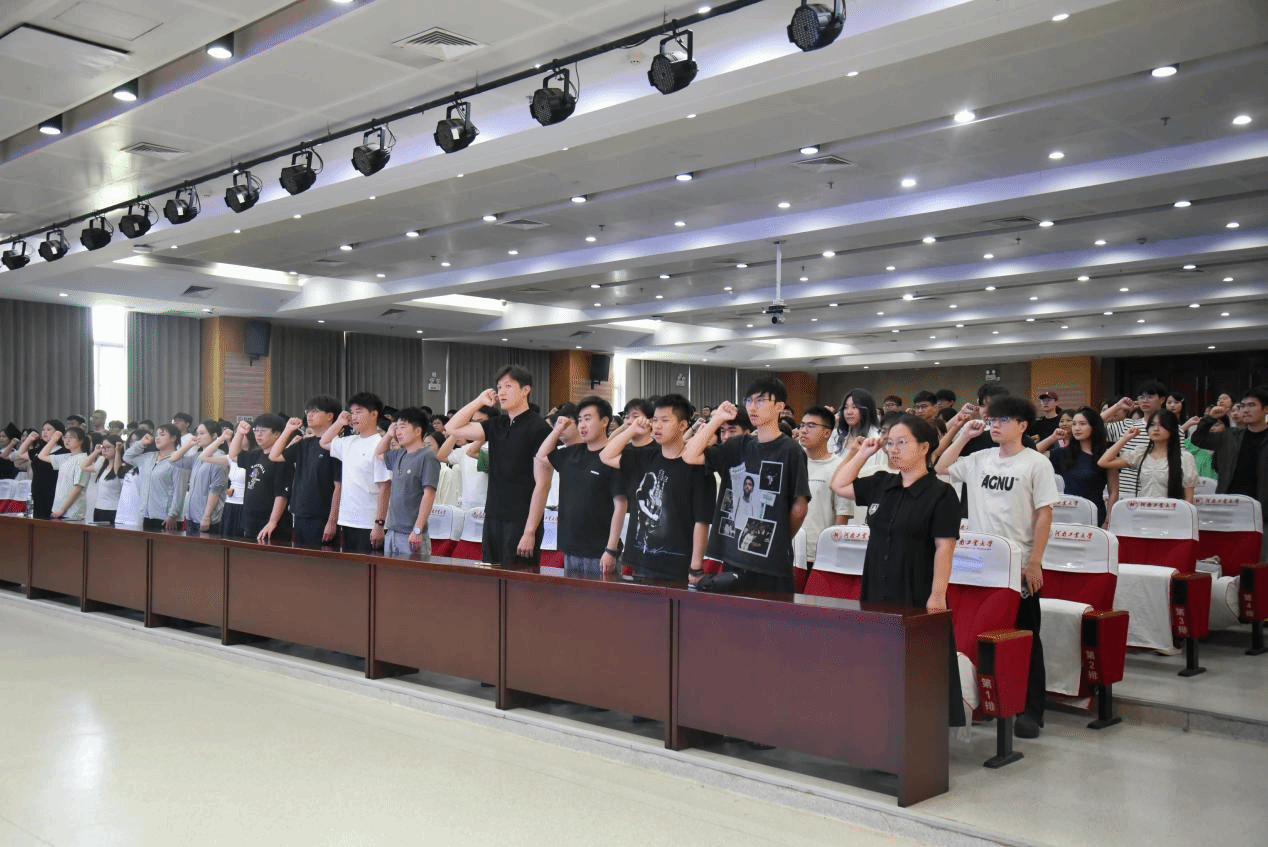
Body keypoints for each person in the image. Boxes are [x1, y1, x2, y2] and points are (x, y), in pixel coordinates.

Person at [936, 395, 1059, 739]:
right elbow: (941, 467)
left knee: (1025, 636)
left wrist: (1035, 561)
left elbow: (1045, 514)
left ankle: (1030, 710)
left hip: (1017, 564)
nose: (995, 426)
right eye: (993, 420)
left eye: (1003, 420)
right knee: (983, 633)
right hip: (978, 563)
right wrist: (963, 434)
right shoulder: (979, 458)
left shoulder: (1036, 463)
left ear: (1023, 425)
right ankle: (991, 702)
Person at [830, 414, 964, 726]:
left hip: (915, 587)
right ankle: (878, 725)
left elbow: (945, 547)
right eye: (889, 443)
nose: (893, 449)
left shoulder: (940, 494)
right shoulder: (883, 483)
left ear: (924, 447)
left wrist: (937, 595)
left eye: (901, 443)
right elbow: (839, 484)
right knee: (878, 657)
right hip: (877, 585)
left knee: (917, 661)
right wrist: (863, 453)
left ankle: (921, 730)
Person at [683, 377, 810, 593]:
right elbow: (689, 455)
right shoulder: (737, 446)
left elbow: (800, 507)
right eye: (748, 400)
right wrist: (716, 419)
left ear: (779, 406)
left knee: (770, 613)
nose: (752, 407)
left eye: (760, 400)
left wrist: (777, 537)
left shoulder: (791, 450)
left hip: (771, 563)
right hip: (734, 556)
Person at [600, 393, 715, 582]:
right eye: (654, 420)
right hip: (641, 561)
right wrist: (631, 429)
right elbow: (606, 456)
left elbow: (701, 521)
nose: (657, 426)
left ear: (683, 425)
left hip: (677, 565)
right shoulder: (646, 457)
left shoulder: (697, 467)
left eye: (665, 420)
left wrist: (696, 566)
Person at [445, 366, 553, 565]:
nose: (501, 392)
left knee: (518, 578)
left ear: (525, 390)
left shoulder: (539, 428)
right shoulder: (497, 424)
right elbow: (452, 427)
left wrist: (530, 531)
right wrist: (479, 401)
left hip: (522, 519)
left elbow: (543, 485)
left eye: (508, 386)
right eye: (499, 387)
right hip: (493, 516)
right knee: (491, 575)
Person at [531, 396, 627, 576]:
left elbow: (620, 506)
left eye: (588, 419)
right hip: (571, 547)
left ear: (604, 421)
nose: (582, 425)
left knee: (602, 595)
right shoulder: (571, 453)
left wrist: (611, 550)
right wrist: (557, 429)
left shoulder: (612, 458)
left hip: (600, 551)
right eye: (580, 420)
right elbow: (541, 456)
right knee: (573, 594)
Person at [1192, 387, 1268, 554]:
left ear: (1265, 409)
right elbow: (1198, 439)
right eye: (1243, 406)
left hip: (1263, 512)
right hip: (1230, 508)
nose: (1246, 410)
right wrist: (1210, 418)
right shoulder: (1230, 436)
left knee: (1260, 561)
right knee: (1230, 558)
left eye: (1252, 405)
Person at [320, 393, 390, 553]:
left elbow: (385, 487)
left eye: (359, 412)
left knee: (369, 566)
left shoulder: (380, 444)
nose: (354, 417)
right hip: (347, 520)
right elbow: (323, 442)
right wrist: (339, 422)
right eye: (352, 413)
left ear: (374, 414)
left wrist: (379, 524)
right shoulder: (349, 442)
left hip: (369, 523)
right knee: (349, 566)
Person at [271, 396, 343, 548]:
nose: (309, 415)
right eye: (308, 411)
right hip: (300, 513)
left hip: (322, 517)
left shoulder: (336, 446)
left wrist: (332, 521)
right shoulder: (305, 443)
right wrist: (288, 429)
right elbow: (274, 456)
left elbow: (339, 486)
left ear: (330, 416)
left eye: (315, 411)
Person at [375, 407, 441, 560]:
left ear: (418, 431)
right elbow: (378, 453)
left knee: (414, 575)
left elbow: (429, 494)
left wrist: (417, 529)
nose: (398, 432)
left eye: (403, 427)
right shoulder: (400, 454)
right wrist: (389, 434)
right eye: (396, 427)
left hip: (412, 534)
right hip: (392, 531)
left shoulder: (428, 457)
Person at [219, 416, 290, 543]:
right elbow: (233, 454)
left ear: (276, 434)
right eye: (256, 430)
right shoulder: (256, 454)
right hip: (250, 520)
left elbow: (281, 495)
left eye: (263, 431)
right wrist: (240, 433)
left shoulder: (281, 458)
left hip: (270, 523)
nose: (258, 434)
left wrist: (272, 522)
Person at [1099, 410, 1196, 502]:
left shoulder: (1184, 457)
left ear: (1172, 429)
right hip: (1144, 509)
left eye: (1162, 425)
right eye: (1152, 425)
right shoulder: (1142, 453)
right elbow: (1103, 462)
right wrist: (1125, 438)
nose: (1156, 429)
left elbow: (1189, 499)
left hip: (1172, 510)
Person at [796, 404, 850, 568]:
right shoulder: (792, 461)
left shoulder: (839, 467)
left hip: (819, 554)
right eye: (802, 425)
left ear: (827, 433)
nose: (803, 430)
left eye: (811, 426)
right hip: (789, 549)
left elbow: (842, 515)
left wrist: (832, 552)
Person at [1039, 407, 1112, 525]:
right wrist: (1052, 438)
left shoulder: (1105, 456)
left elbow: (1113, 492)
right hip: (1068, 515)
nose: (1077, 428)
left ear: (1094, 426)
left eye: (1082, 424)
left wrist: (1108, 521)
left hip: (1094, 515)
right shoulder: (1064, 453)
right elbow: (1032, 454)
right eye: (1074, 424)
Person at [1102, 379, 1168, 506]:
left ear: (1162, 399)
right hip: (1124, 492)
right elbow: (1093, 425)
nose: (1145, 400)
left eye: (1150, 397)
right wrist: (1117, 406)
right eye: (1141, 397)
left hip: (1155, 493)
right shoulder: (1127, 425)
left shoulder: (1172, 429)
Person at [122, 423, 188, 532]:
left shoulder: (179, 460)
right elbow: (127, 457)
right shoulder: (149, 457)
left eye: (162, 435)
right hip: (146, 515)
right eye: (156, 435)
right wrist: (141, 443)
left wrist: (173, 514)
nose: (157, 438)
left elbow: (179, 491)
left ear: (173, 438)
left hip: (167, 518)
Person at [170, 420, 229, 534]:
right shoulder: (197, 456)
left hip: (207, 519)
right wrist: (189, 444)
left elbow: (215, 490)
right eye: (197, 434)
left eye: (202, 433)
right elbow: (173, 460)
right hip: (191, 515)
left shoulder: (219, 458)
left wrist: (206, 516)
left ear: (214, 436)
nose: (198, 437)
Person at [15, 420, 68, 519]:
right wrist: (29, 439)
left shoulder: (64, 451)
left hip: (53, 492)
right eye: (43, 429)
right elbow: (20, 454)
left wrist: (54, 440)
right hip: (37, 491)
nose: (45, 432)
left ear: (58, 432)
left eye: (48, 429)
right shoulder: (39, 450)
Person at [38, 426, 90, 521]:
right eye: (65, 437)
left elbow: (77, 489)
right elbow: (41, 456)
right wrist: (53, 440)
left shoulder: (83, 459)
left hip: (73, 512)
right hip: (59, 509)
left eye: (71, 437)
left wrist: (61, 510)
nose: (67, 440)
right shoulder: (66, 457)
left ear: (81, 440)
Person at [82, 434, 123, 524]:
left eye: (108, 447)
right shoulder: (102, 462)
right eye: (103, 447)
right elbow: (84, 466)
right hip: (99, 508)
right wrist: (96, 452)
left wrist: (118, 451)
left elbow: (118, 471)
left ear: (116, 448)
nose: (104, 450)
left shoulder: (122, 467)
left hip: (113, 509)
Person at [831, 389, 879, 455]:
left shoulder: (876, 438)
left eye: (854, 407)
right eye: (846, 407)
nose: (849, 412)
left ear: (867, 410)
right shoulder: (836, 435)